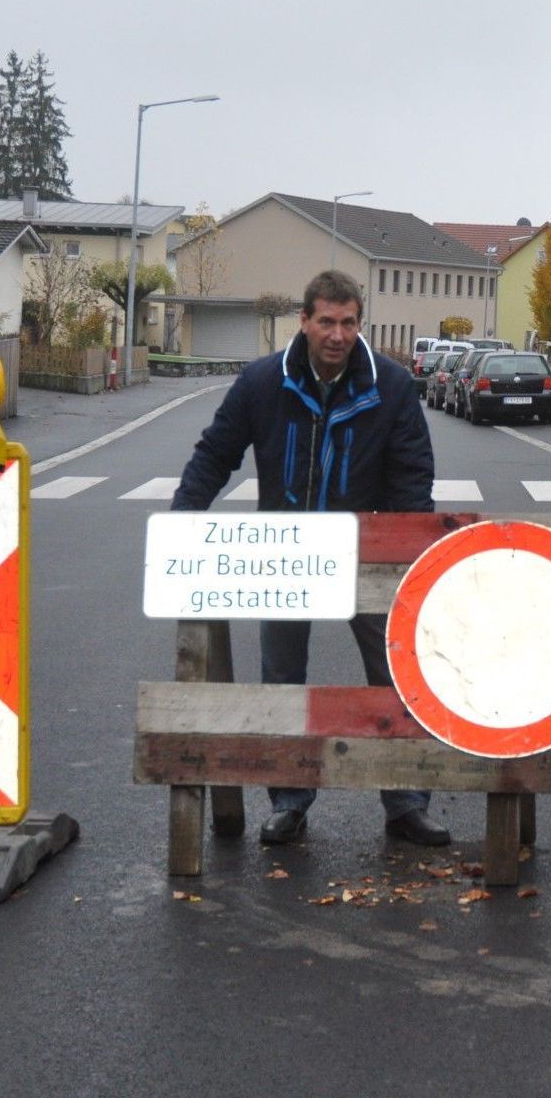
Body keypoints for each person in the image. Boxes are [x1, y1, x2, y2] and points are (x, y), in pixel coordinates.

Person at [170, 269, 450, 848]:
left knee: (396, 673)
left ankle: (405, 802)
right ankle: (289, 801)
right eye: (326, 321)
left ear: (359, 324)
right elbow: (216, 453)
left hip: (366, 550)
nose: (338, 334)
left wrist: (404, 551)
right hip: (286, 553)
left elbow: (412, 476)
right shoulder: (262, 383)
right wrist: (182, 521)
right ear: (304, 321)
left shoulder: (391, 387)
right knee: (281, 680)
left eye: (349, 323)